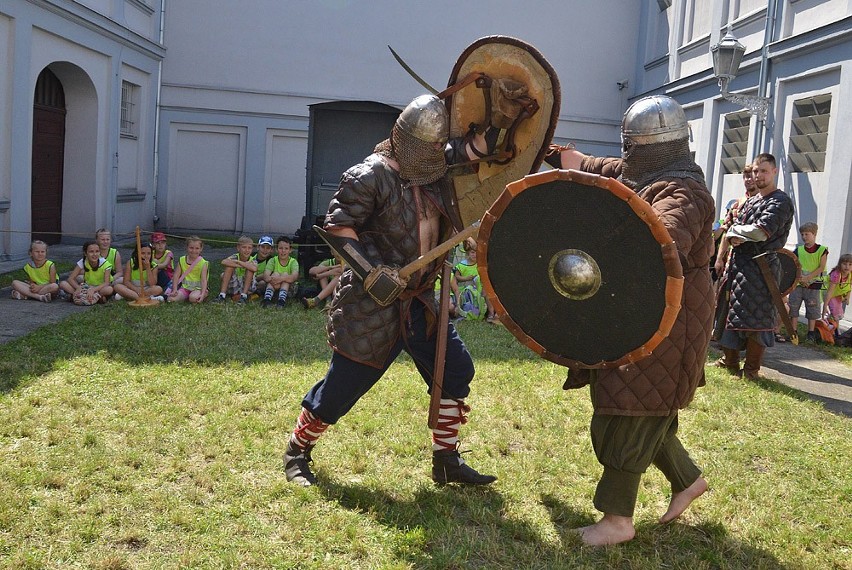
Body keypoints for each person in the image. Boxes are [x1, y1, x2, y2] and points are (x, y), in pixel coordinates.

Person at [282, 94, 498, 488]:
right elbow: (336, 226)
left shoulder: (435, 166)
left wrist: (496, 112)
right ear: (409, 141)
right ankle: (297, 450)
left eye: (440, 145)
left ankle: (445, 459)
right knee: (340, 390)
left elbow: (478, 148)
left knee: (455, 371)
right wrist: (370, 273)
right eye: (432, 145)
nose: (439, 150)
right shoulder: (370, 174)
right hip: (371, 306)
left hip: (420, 302)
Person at [548, 95, 715, 545]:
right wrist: (570, 159)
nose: (625, 158)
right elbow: (610, 170)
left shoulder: (684, 192)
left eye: (631, 149)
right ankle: (688, 481)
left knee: (626, 410)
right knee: (645, 406)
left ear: (651, 149)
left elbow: (655, 246)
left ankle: (617, 521)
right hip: (639, 311)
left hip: (667, 318)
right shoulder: (647, 173)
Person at [716, 153, 795, 378]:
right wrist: (735, 234)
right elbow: (737, 226)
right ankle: (730, 363)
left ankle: (751, 370)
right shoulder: (751, 201)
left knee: (758, 318)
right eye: (756, 171)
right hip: (739, 266)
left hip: (763, 269)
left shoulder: (780, 201)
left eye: (764, 171)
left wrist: (734, 232)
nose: (758, 175)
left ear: (774, 172)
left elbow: (761, 231)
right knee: (732, 313)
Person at [788, 222, 828, 343]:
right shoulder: (799, 250)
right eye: (802, 234)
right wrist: (801, 279)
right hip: (799, 284)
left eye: (807, 234)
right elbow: (794, 264)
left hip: (814, 285)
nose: (804, 237)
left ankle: (811, 333)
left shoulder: (822, 250)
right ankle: (793, 331)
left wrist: (808, 278)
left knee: (812, 308)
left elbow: (821, 267)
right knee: (794, 307)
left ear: (814, 234)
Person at [453, 239, 494, 322]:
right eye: (472, 252)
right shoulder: (462, 265)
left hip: (479, 289)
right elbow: (456, 277)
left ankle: (488, 313)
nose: (474, 255)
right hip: (466, 290)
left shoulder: (480, 264)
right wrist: (466, 278)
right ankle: (473, 313)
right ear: (468, 253)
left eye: (476, 253)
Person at [212, 235, 257, 304]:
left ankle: (244, 297)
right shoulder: (235, 256)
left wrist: (239, 262)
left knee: (250, 268)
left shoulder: (252, 259)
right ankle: (222, 295)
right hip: (235, 284)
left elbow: (254, 268)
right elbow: (223, 262)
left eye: (249, 248)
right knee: (229, 266)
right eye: (244, 247)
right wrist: (240, 264)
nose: (247, 250)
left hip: (247, 286)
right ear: (238, 248)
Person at [168, 236, 209, 304]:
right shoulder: (182, 260)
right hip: (185, 288)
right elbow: (176, 276)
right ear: (187, 247)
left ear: (201, 249)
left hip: (198, 288)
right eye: (191, 248)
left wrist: (203, 292)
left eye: (197, 248)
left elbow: (204, 280)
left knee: (193, 298)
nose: (194, 251)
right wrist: (175, 289)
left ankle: (204, 295)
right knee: (171, 299)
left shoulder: (203, 263)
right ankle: (186, 296)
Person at [261, 236, 299, 308]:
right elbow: (266, 276)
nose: (283, 251)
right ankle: (267, 300)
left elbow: (294, 277)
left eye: (286, 248)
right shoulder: (273, 260)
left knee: (285, 275)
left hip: (289, 290)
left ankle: (281, 302)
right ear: (276, 249)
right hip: (273, 286)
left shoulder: (293, 262)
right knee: (275, 274)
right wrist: (275, 280)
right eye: (280, 248)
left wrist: (281, 279)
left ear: (290, 250)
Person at [822, 253, 852, 330]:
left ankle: (830, 326)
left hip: (837, 294)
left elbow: (849, 286)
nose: (847, 267)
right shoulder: (836, 274)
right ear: (839, 264)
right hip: (828, 292)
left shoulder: (850, 274)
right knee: (836, 312)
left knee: (838, 313)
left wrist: (847, 297)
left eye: (850, 264)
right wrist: (825, 306)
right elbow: (830, 291)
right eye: (844, 264)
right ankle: (836, 331)